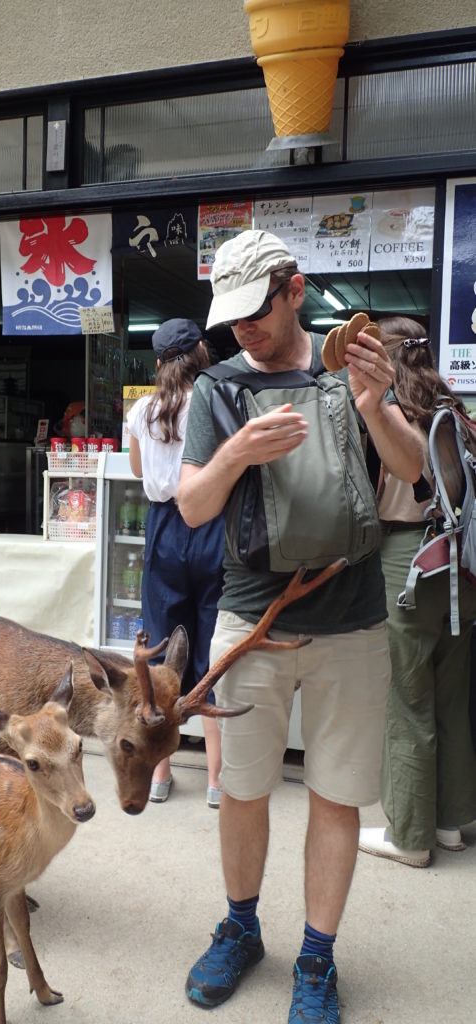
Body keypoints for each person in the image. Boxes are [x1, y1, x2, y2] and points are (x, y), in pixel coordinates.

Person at [176, 230, 423, 1023]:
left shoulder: (351, 364)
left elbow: (413, 471)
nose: (242, 329)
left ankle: (316, 959)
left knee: (335, 796)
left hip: (350, 621)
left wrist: (374, 406)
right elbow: (191, 505)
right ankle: (240, 928)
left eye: (256, 311)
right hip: (252, 618)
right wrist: (234, 456)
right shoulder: (216, 388)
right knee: (243, 789)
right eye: (230, 316)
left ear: (294, 289)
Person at [358, 316, 476, 867]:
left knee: (407, 701)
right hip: (465, 567)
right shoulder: (456, 412)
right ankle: (450, 823)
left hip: (411, 563)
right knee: (450, 697)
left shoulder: (391, 415)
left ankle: (408, 835)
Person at [127, 318, 225, 808]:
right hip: (210, 522)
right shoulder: (214, 399)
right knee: (211, 650)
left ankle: (161, 775)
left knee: (165, 652)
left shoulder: (141, 410)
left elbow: (139, 470)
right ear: (201, 352)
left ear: (159, 361)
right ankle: (215, 781)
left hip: (164, 527)